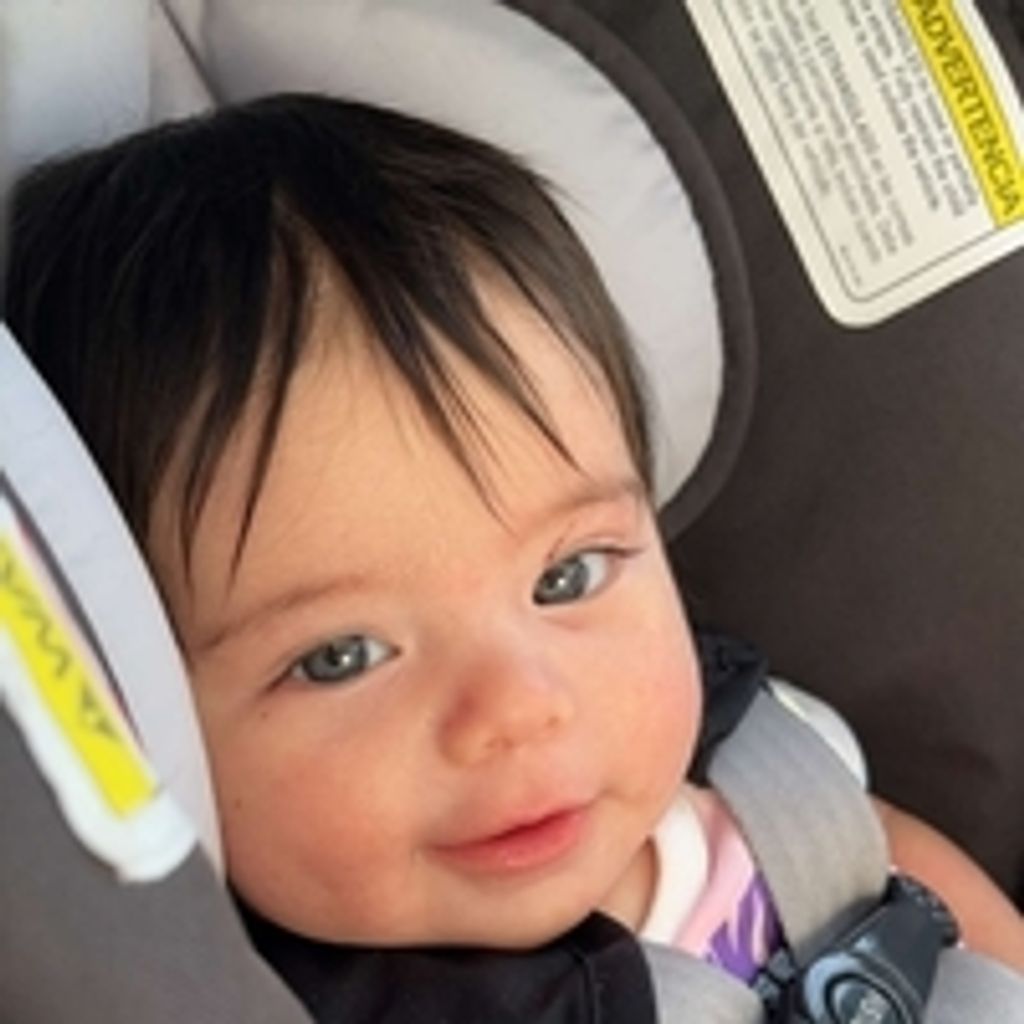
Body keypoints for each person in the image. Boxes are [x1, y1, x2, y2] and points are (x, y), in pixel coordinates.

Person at [5, 93, 1022, 999]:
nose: (517, 708)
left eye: (567, 576)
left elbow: (898, 870)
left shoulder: (750, 763)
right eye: (341, 656)